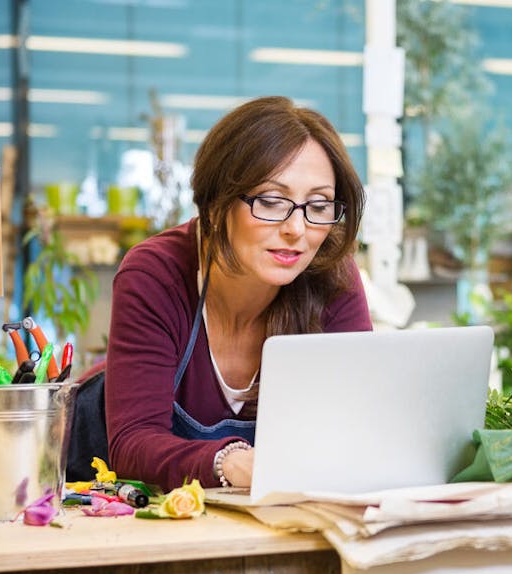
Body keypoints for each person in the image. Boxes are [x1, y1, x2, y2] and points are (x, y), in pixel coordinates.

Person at [105, 96, 372, 491]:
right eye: (270, 201)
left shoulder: (331, 276)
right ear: (216, 205)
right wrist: (228, 462)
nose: (296, 229)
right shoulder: (156, 275)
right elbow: (133, 444)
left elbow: (358, 425)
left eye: (318, 206)